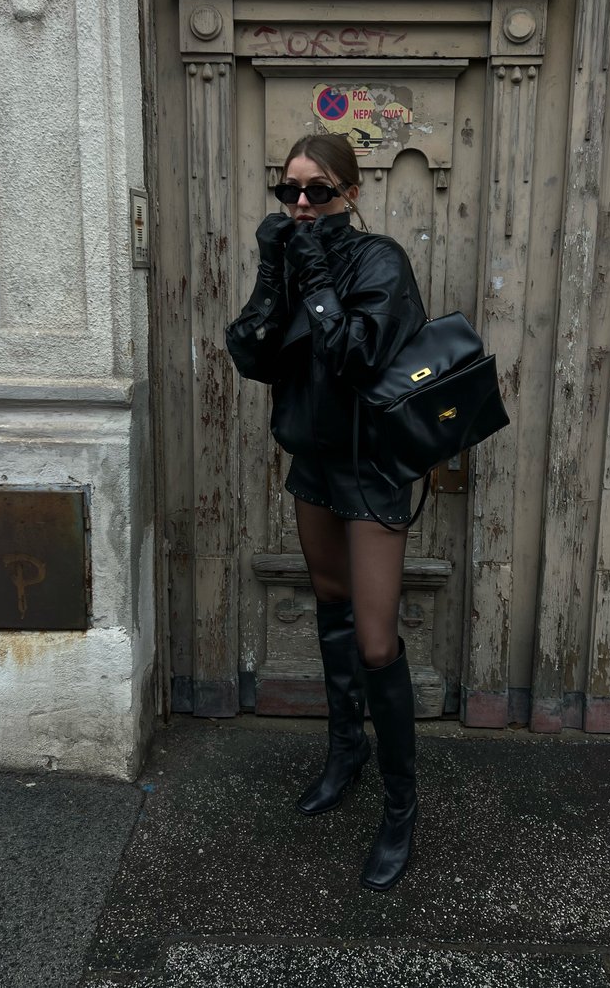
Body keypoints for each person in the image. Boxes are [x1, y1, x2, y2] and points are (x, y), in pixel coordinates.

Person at [226, 133, 426, 892]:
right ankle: (347, 752)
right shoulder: (289, 256)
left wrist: (311, 271)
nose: (300, 205)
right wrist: (270, 279)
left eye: (315, 190)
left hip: (372, 468)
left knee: (377, 643)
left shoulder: (381, 262)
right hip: (312, 460)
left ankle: (402, 808)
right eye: (289, 192)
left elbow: (358, 357)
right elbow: (254, 357)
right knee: (333, 609)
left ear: (348, 190)